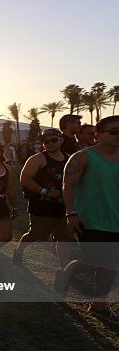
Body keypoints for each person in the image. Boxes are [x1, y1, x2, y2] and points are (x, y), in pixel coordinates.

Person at [61, 115, 119, 323]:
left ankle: (98, 304)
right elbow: (68, 185)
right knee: (94, 261)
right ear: (98, 134)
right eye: (113, 131)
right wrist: (70, 213)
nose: (118, 136)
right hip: (89, 219)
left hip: (116, 220)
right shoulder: (83, 157)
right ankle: (67, 275)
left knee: (111, 264)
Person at [13, 128, 72, 269]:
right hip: (41, 207)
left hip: (64, 206)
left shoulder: (69, 158)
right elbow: (25, 178)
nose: (49, 143)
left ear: (61, 140)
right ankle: (19, 251)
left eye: (53, 140)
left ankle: (64, 269)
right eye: (46, 141)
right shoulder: (38, 159)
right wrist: (44, 191)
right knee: (36, 235)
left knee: (64, 237)